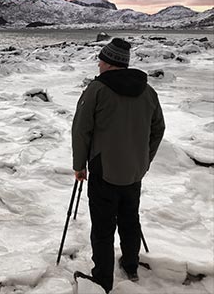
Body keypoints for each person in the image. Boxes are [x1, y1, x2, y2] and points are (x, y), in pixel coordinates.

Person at [71, 37, 165, 292]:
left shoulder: (97, 89)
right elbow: (159, 129)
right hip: (134, 171)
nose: (99, 65)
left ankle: (102, 279)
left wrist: (80, 165)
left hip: (103, 169)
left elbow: (81, 130)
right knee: (129, 219)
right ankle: (131, 264)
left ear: (110, 63)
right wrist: (144, 159)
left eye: (101, 60)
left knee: (102, 227)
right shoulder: (147, 91)